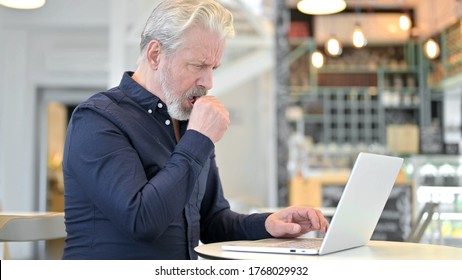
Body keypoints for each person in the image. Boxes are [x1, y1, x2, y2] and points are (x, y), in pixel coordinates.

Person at [62, 0, 329, 260]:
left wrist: (268, 224)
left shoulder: (187, 121)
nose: (209, 81)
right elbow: (141, 221)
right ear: (155, 55)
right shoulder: (97, 119)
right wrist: (198, 140)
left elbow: (212, 222)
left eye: (213, 67)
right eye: (198, 66)